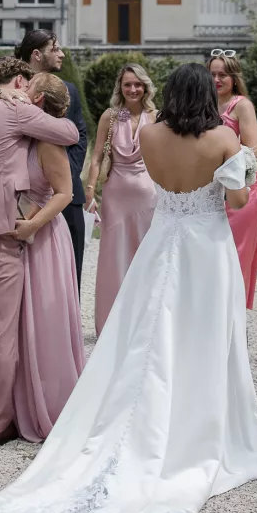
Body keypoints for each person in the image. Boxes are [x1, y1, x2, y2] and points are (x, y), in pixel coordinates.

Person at [0, 64, 257, 513]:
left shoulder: (149, 135)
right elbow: (236, 199)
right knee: (202, 336)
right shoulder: (222, 140)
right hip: (205, 249)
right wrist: (246, 168)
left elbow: (158, 183)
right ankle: (198, 423)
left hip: (161, 242)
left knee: (147, 334)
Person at [0, 56, 80, 445]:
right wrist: (19, 100)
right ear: (21, 82)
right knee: (3, 335)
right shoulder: (18, 110)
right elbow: (70, 132)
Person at [11, 73, 86, 441]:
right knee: (23, 322)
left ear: (38, 97)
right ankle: (23, 401)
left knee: (46, 320)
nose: (20, 90)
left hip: (44, 239)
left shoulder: (49, 142)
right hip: (22, 236)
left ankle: (55, 402)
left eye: (28, 87)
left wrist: (33, 225)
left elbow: (64, 193)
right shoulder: (24, 135)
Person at [85, 63, 158, 336]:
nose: (133, 89)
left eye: (138, 84)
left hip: (148, 196)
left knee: (146, 255)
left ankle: (146, 322)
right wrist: (90, 188)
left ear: (145, 87)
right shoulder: (111, 116)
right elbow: (96, 156)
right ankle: (111, 325)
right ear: (120, 87)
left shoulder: (156, 116)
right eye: (128, 84)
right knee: (113, 257)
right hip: (115, 196)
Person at [15, 32, 89, 292]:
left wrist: (63, 174)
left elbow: (80, 136)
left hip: (66, 192)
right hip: (21, 197)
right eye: (55, 48)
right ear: (37, 54)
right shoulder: (14, 91)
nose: (62, 54)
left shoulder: (68, 89)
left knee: (70, 271)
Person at [208, 51, 257, 309]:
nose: (216, 80)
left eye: (222, 75)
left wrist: (226, 168)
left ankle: (234, 313)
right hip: (209, 191)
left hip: (241, 189)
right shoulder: (204, 103)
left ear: (234, 78)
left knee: (237, 252)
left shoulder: (241, 105)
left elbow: (252, 151)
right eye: (212, 74)